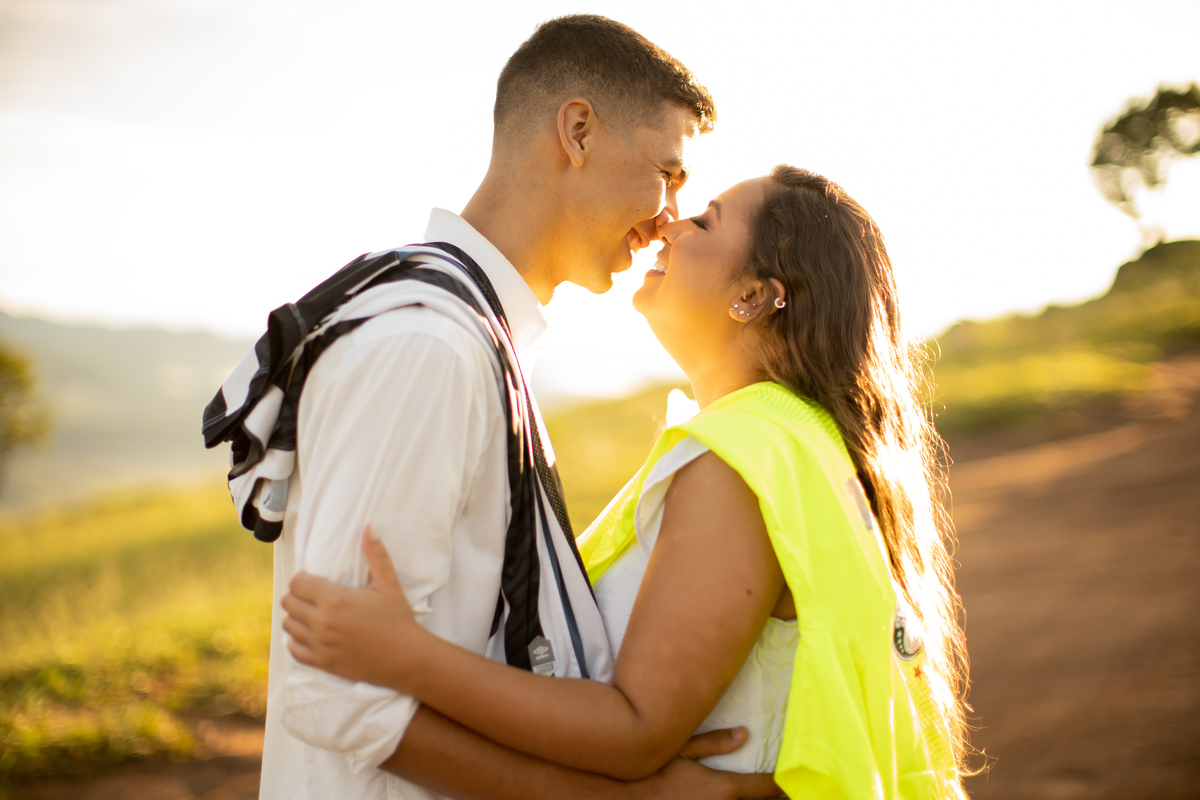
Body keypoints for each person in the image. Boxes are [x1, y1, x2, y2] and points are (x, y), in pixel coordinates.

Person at [221, 14, 780, 800]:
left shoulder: (471, 336)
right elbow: (339, 699)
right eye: (667, 172)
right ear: (578, 132)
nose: (667, 221)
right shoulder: (428, 349)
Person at [283, 166, 973, 799]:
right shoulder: (793, 441)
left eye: (704, 220)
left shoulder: (738, 459)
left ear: (753, 296)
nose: (669, 224)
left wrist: (408, 658)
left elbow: (635, 730)